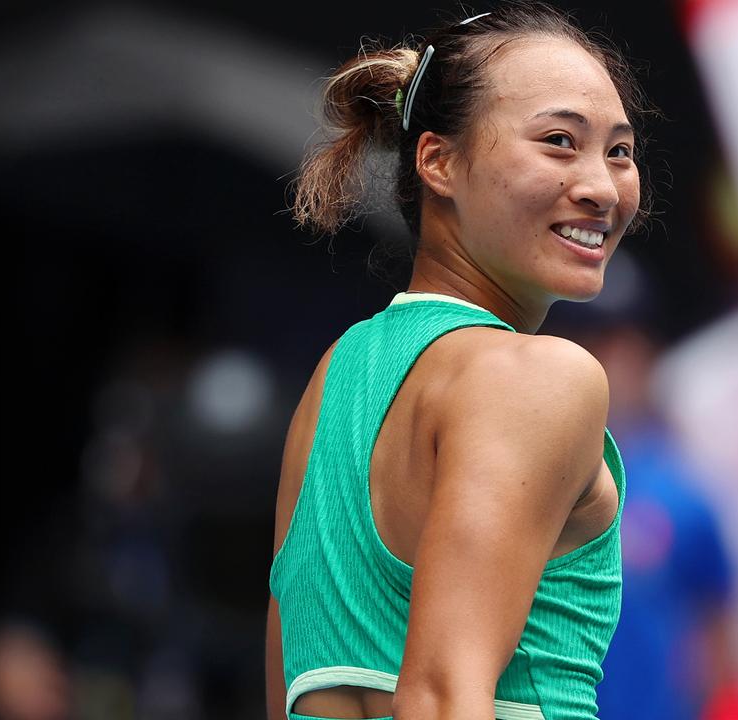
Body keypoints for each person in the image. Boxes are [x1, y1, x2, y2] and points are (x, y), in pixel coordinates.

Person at [265, 3, 658, 720]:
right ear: (438, 161)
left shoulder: (335, 378)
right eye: (560, 141)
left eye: (620, 151)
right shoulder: (543, 378)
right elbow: (443, 699)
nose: (603, 187)